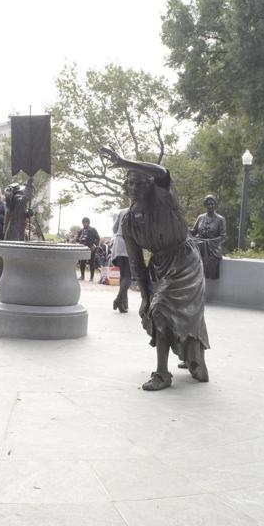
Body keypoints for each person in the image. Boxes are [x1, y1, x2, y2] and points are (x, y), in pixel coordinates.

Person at [101, 147, 210, 390]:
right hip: (159, 265)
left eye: (139, 183)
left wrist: (123, 161)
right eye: (130, 183)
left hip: (184, 261)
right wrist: (144, 296)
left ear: (150, 185)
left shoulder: (164, 199)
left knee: (168, 310)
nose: (134, 187)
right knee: (156, 309)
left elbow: (163, 172)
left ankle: (163, 373)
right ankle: (189, 358)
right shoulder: (128, 221)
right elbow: (137, 262)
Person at [191, 195, 227, 280]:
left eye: (212, 204)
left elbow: (223, 236)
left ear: (215, 205)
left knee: (207, 255)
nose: (210, 206)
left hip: (212, 247)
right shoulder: (200, 217)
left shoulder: (220, 219)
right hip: (199, 244)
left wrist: (208, 242)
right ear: (205, 205)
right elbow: (194, 232)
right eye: (208, 204)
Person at [110, 206, 131, 312]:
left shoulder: (122, 211)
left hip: (118, 243)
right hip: (128, 244)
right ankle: (119, 299)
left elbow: (114, 229)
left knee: (123, 275)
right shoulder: (139, 211)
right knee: (128, 276)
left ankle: (124, 304)